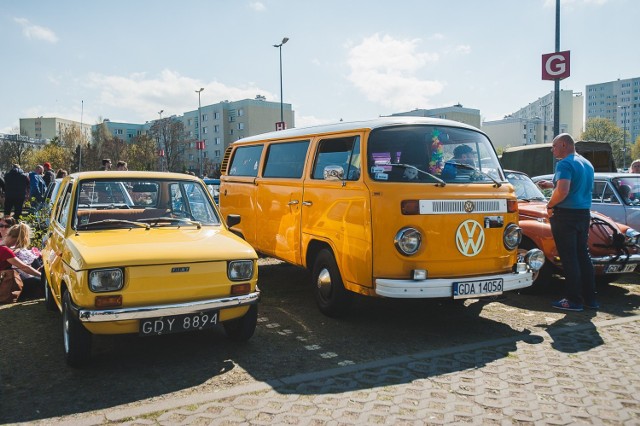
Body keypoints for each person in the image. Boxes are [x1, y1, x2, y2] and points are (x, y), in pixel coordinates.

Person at [545, 133, 597, 312]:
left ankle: (573, 300)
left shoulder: (564, 163)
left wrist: (550, 205)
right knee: (583, 255)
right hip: (583, 213)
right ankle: (590, 299)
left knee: (569, 258)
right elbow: (576, 186)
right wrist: (552, 185)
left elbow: (564, 190)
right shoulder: (586, 163)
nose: (552, 150)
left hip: (565, 215)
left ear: (564, 145)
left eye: (554, 146)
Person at [1, 223, 42, 302]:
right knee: (37, 281)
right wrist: (41, 276)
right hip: (3, 282)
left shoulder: (2, 246)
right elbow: (24, 267)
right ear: (16, 239)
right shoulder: (6, 251)